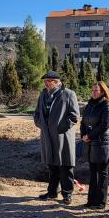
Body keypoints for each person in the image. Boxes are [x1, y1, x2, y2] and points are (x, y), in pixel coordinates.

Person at [33, 70, 80, 204]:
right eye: (45, 81)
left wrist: (60, 128)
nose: (46, 84)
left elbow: (74, 116)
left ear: (57, 82)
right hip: (47, 136)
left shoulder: (68, 94)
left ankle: (67, 194)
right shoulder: (43, 94)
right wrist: (40, 123)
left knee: (66, 166)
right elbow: (37, 113)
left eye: (48, 81)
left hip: (63, 136)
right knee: (52, 165)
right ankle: (52, 192)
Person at [80, 81, 109, 209]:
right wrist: (84, 135)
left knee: (102, 172)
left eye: (96, 90)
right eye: (92, 90)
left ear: (103, 92)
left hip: (102, 142)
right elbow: (83, 122)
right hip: (90, 142)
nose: (94, 92)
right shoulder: (89, 105)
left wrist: (90, 136)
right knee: (93, 172)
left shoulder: (107, 105)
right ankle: (91, 200)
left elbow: (104, 125)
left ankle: (100, 202)